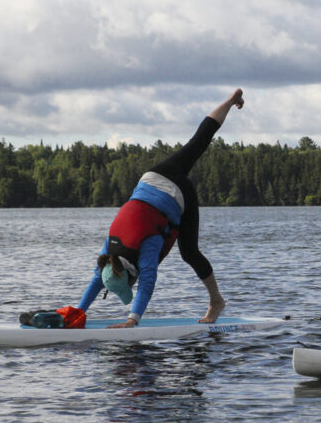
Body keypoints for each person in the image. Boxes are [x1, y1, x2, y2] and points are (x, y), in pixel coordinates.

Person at [74, 89, 245, 329]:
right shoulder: (108, 252)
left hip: (177, 194)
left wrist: (132, 320)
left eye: (129, 285)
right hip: (153, 176)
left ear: (130, 277)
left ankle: (216, 301)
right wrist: (77, 313)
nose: (133, 286)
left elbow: (147, 283)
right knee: (198, 141)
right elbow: (96, 279)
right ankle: (230, 101)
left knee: (190, 253)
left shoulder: (146, 246)